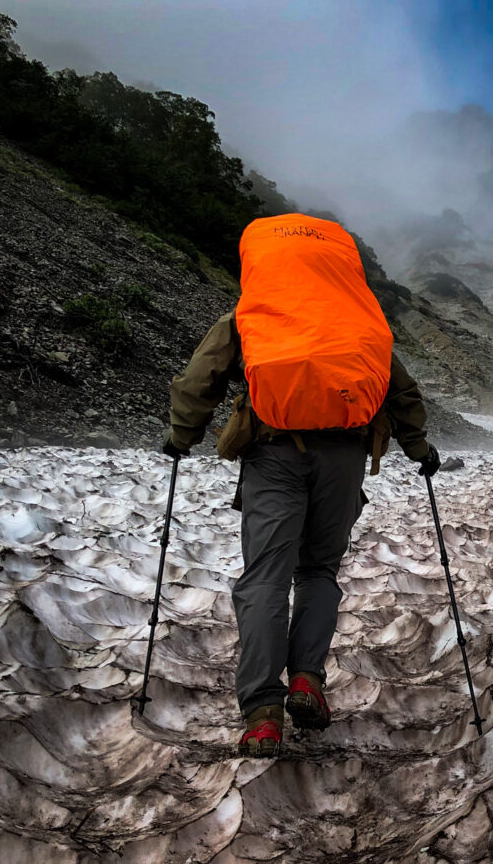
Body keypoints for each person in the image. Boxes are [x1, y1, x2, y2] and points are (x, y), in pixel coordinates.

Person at [164, 213, 439, 759]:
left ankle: (262, 713)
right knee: (318, 570)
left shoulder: (252, 315)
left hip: (273, 454)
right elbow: (399, 390)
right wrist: (418, 448)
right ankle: (307, 680)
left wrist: (181, 435)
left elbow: (202, 378)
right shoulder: (359, 320)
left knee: (266, 576)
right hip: (345, 458)